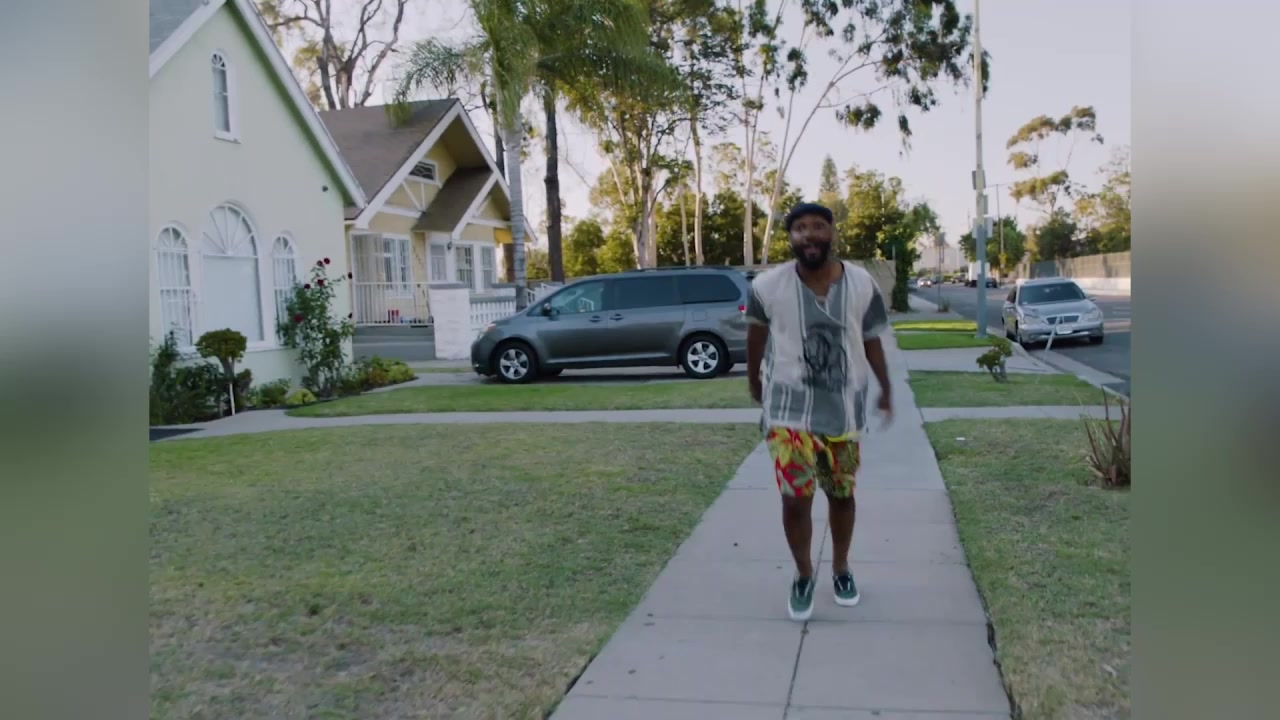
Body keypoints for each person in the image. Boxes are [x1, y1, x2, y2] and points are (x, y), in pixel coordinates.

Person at [744, 201, 892, 621]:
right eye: (800, 228)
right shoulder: (767, 286)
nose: (809, 234)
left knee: (841, 494)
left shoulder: (861, 284)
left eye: (818, 226)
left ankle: (841, 569)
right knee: (796, 497)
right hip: (788, 410)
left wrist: (885, 387)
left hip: (843, 410)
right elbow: (755, 335)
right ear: (790, 237)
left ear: (832, 232)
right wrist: (754, 381)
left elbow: (872, 337)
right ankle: (804, 574)